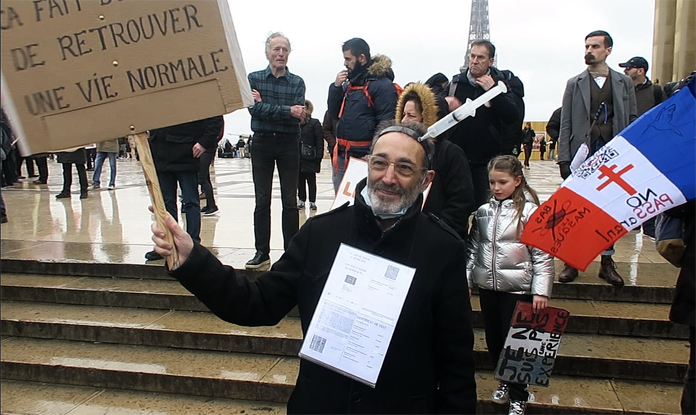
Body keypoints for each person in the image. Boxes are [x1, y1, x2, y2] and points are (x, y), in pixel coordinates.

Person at [150, 120, 477, 414]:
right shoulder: (320, 233)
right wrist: (194, 259)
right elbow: (255, 303)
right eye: (379, 163)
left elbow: (456, 364)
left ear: (426, 179)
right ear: (367, 165)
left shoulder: (442, 249)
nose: (388, 178)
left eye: (404, 168)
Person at [466, 155, 554, 415]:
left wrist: (541, 290)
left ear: (517, 181)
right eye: (492, 182)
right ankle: (504, 379)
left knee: (516, 343)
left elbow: (542, 254)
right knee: (494, 339)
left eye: (502, 182)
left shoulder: (530, 212)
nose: (496, 187)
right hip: (488, 287)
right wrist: (467, 279)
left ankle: (519, 395)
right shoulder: (483, 212)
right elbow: (473, 248)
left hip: (518, 289)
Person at [557, 30, 637, 286]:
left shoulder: (623, 83)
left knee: (610, 207)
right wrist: (564, 158)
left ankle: (607, 261)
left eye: (594, 46)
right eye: (587, 46)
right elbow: (566, 122)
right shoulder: (575, 83)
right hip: (583, 151)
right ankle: (571, 260)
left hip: (612, 151)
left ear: (608, 50)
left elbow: (632, 118)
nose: (589, 51)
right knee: (577, 207)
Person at [246, 32, 306, 270]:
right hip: (262, 143)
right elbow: (254, 110)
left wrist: (266, 106)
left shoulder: (297, 82)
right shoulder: (254, 78)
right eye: (276, 49)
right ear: (267, 52)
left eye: (285, 49)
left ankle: (291, 252)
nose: (281, 54)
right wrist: (286, 110)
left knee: (290, 201)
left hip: (288, 143)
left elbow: (298, 115)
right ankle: (261, 251)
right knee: (262, 200)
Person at [395, 82, 476, 239]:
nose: (404, 120)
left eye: (411, 116)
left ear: (429, 119)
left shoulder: (450, 153)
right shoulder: (398, 152)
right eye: (403, 114)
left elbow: (462, 202)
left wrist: (435, 232)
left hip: (437, 237)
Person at [447, 39, 520, 208]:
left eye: (480, 57)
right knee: (457, 205)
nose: (474, 61)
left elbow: (512, 116)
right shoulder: (456, 84)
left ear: (491, 61)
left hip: (485, 161)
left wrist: (493, 92)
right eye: (472, 56)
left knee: (484, 207)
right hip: (457, 158)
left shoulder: (500, 84)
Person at [144, 116, 223, 261]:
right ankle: (169, 243)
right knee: (165, 203)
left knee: (190, 201)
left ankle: (193, 245)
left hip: (186, 151)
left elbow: (215, 119)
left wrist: (204, 142)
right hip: (160, 150)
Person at [327, 38, 398, 193]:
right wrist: (336, 88)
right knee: (342, 200)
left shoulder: (382, 86)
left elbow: (386, 123)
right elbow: (333, 113)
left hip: (364, 157)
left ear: (362, 58)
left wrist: (374, 154)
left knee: (364, 200)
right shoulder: (349, 84)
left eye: (348, 59)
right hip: (343, 154)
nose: (345, 63)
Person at [618, 56, 666, 239]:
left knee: (649, 185)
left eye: (629, 68)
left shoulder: (655, 91)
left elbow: (665, 115)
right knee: (627, 184)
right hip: (627, 146)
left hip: (650, 146)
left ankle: (649, 225)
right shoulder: (622, 90)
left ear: (640, 70)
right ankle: (631, 221)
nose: (625, 71)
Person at [297, 100, 323, 211]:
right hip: (298, 157)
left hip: (310, 157)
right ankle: (301, 200)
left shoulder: (314, 123)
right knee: (299, 181)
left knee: (311, 181)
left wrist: (319, 156)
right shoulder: (296, 123)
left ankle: (312, 201)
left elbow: (319, 140)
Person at [199, 119, 224, 216]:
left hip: (207, 147)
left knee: (202, 178)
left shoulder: (215, 118)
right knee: (205, 176)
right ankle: (210, 204)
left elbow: (218, 132)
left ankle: (212, 206)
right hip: (209, 146)